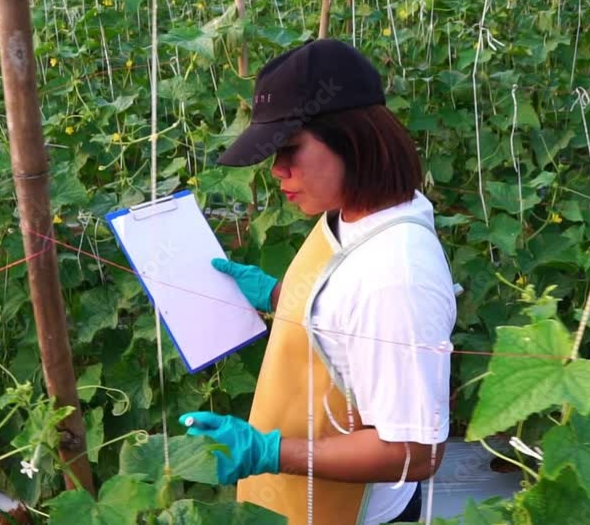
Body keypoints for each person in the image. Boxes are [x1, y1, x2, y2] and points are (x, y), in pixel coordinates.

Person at [178, 39, 458, 524]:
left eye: (289, 150)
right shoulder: (356, 213)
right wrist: (278, 295)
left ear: (352, 138)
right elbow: (348, 318)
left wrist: (271, 452)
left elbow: (414, 453)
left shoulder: (396, 278)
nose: (277, 170)